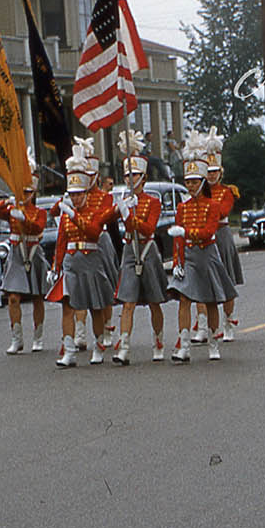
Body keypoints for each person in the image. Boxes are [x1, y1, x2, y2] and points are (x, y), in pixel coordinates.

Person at [167, 155, 236, 362]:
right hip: (188, 256)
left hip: (207, 255)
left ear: (203, 182)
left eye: (195, 181)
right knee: (184, 299)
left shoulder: (212, 205)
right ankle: (184, 345)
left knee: (211, 300)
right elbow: (177, 240)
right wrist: (177, 261)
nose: (190, 185)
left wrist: (186, 232)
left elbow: (208, 232)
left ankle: (213, 342)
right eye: (187, 181)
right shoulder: (182, 207)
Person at [48, 169, 117, 368]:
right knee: (68, 306)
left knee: (95, 307)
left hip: (90, 260)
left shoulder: (94, 213)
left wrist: (75, 216)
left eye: (79, 194)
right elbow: (61, 242)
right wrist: (56, 266)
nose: (76, 198)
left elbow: (94, 232)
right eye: (73, 195)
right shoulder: (65, 216)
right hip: (71, 262)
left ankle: (98, 345)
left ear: (86, 194)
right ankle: (69, 350)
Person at [112, 144, 168, 365]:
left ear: (143, 178)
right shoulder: (125, 199)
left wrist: (133, 218)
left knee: (154, 301)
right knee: (128, 301)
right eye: (127, 175)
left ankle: (158, 341)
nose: (130, 179)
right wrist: (122, 209)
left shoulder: (152, 202)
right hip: (129, 250)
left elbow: (148, 228)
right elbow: (106, 220)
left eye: (135, 175)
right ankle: (124, 346)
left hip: (147, 250)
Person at [0, 185, 50, 354]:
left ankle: (38, 337)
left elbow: (38, 227)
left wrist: (23, 219)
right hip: (16, 252)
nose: (25, 195)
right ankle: (17, 338)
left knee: (37, 297)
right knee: (13, 298)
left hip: (33, 251)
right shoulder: (11, 209)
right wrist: (7, 201)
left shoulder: (40, 212)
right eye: (22, 192)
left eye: (28, 192)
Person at [203, 137, 244, 340]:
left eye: (214, 172)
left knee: (227, 279)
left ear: (221, 172)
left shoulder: (227, 191)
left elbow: (222, 212)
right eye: (208, 172)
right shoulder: (200, 192)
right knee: (202, 283)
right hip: (203, 237)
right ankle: (204, 325)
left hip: (221, 234)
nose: (211, 175)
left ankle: (228, 321)